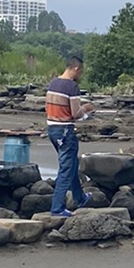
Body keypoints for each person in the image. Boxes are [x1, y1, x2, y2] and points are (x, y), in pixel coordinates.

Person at [47, 57, 92, 216]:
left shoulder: (53, 83)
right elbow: (75, 113)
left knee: (71, 163)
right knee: (66, 168)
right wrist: (86, 108)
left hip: (52, 129)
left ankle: (79, 198)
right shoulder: (72, 86)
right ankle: (57, 208)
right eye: (81, 72)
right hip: (65, 131)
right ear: (76, 69)